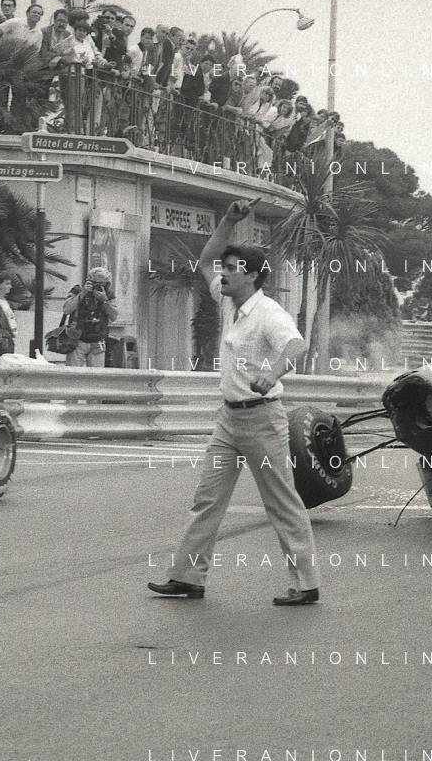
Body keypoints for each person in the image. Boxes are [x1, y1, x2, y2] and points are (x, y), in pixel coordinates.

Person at [148, 198, 321, 605]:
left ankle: (306, 583)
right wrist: (227, 220)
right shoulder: (229, 301)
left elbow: (295, 344)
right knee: (207, 499)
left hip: (262, 421)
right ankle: (188, 578)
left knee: (282, 503)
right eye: (224, 268)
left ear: (253, 276)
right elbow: (205, 261)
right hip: (228, 420)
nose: (223, 273)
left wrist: (272, 373)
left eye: (232, 269)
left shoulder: (269, 312)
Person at [62, 267, 117, 367]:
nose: (99, 286)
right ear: (89, 280)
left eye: (102, 283)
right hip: (77, 338)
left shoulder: (108, 293)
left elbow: (114, 316)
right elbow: (67, 310)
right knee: (73, 373)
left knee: (96, 374)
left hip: (97, 339)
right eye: (96, 283)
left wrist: (104, 300)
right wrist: (82, 293)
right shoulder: (78, 290)